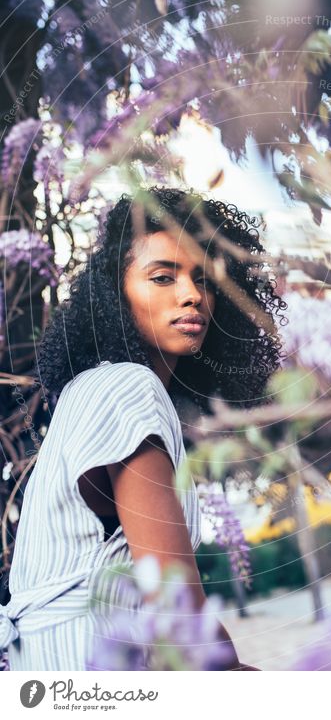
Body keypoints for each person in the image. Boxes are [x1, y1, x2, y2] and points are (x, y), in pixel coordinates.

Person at [0, 186, 286, 670]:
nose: (191, 294)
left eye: (204, 280)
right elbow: (179, 615)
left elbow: (183, 609)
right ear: (115, 296)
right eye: (162, 277)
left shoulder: (100, 390)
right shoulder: (125, 388)